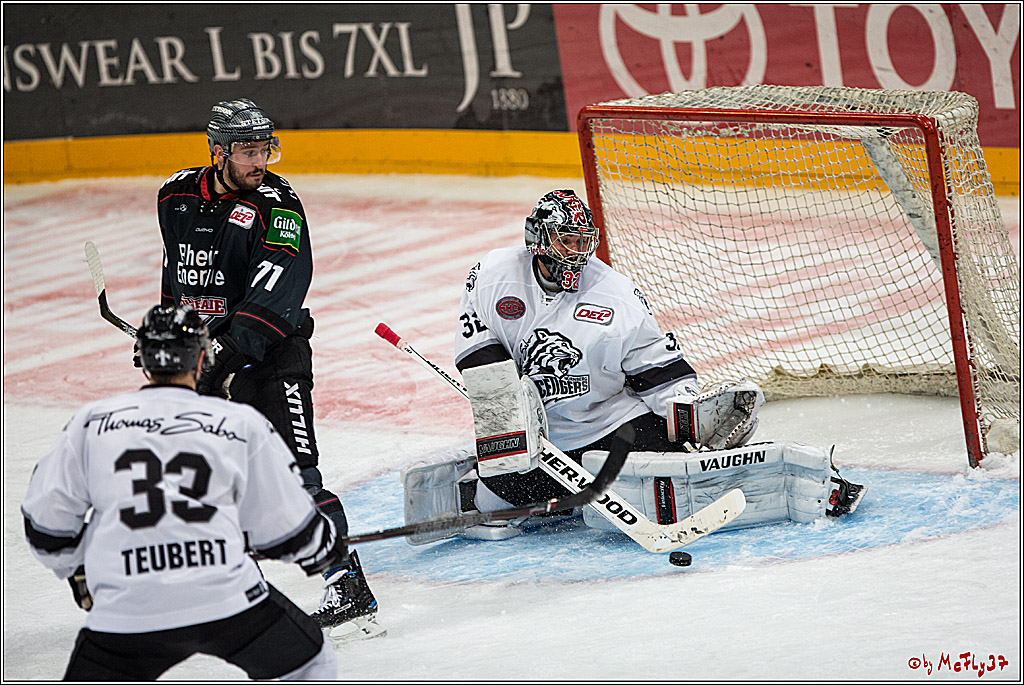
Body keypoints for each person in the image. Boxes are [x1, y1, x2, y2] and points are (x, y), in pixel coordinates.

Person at [429, 189, 865, 538]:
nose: (577, 253)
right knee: (501, 491)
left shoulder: (615, 295)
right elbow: (476, 350)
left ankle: (793, 482)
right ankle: (498, 491)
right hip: (537, 440)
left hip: (608, 427)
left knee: (671, 477)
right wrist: (508, 411)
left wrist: (690, 413)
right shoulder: (494, 274)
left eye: (583, 242)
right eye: (567, 241)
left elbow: (657, 370)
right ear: (538, 239)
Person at [150, 98, 382, 642]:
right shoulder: (175, 196)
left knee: (295, 479)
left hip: (273, 360)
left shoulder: (278, 206)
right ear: (217, 151)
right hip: (208, 364)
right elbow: (177, 277)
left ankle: (347, 585)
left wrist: (219, 353)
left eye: (265, 150)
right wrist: (169, 337)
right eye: (247, 151)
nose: (259, 161)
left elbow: (277, 295)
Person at [21, 304, 344, 680]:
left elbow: (46, 526)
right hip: (225, 601)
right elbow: (287, 527)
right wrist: (324, 549)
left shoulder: (91, 423)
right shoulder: (239, 423)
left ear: (143, 360)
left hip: (128, 607)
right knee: (312, 664)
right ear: (202, 358)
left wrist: (79, 570)